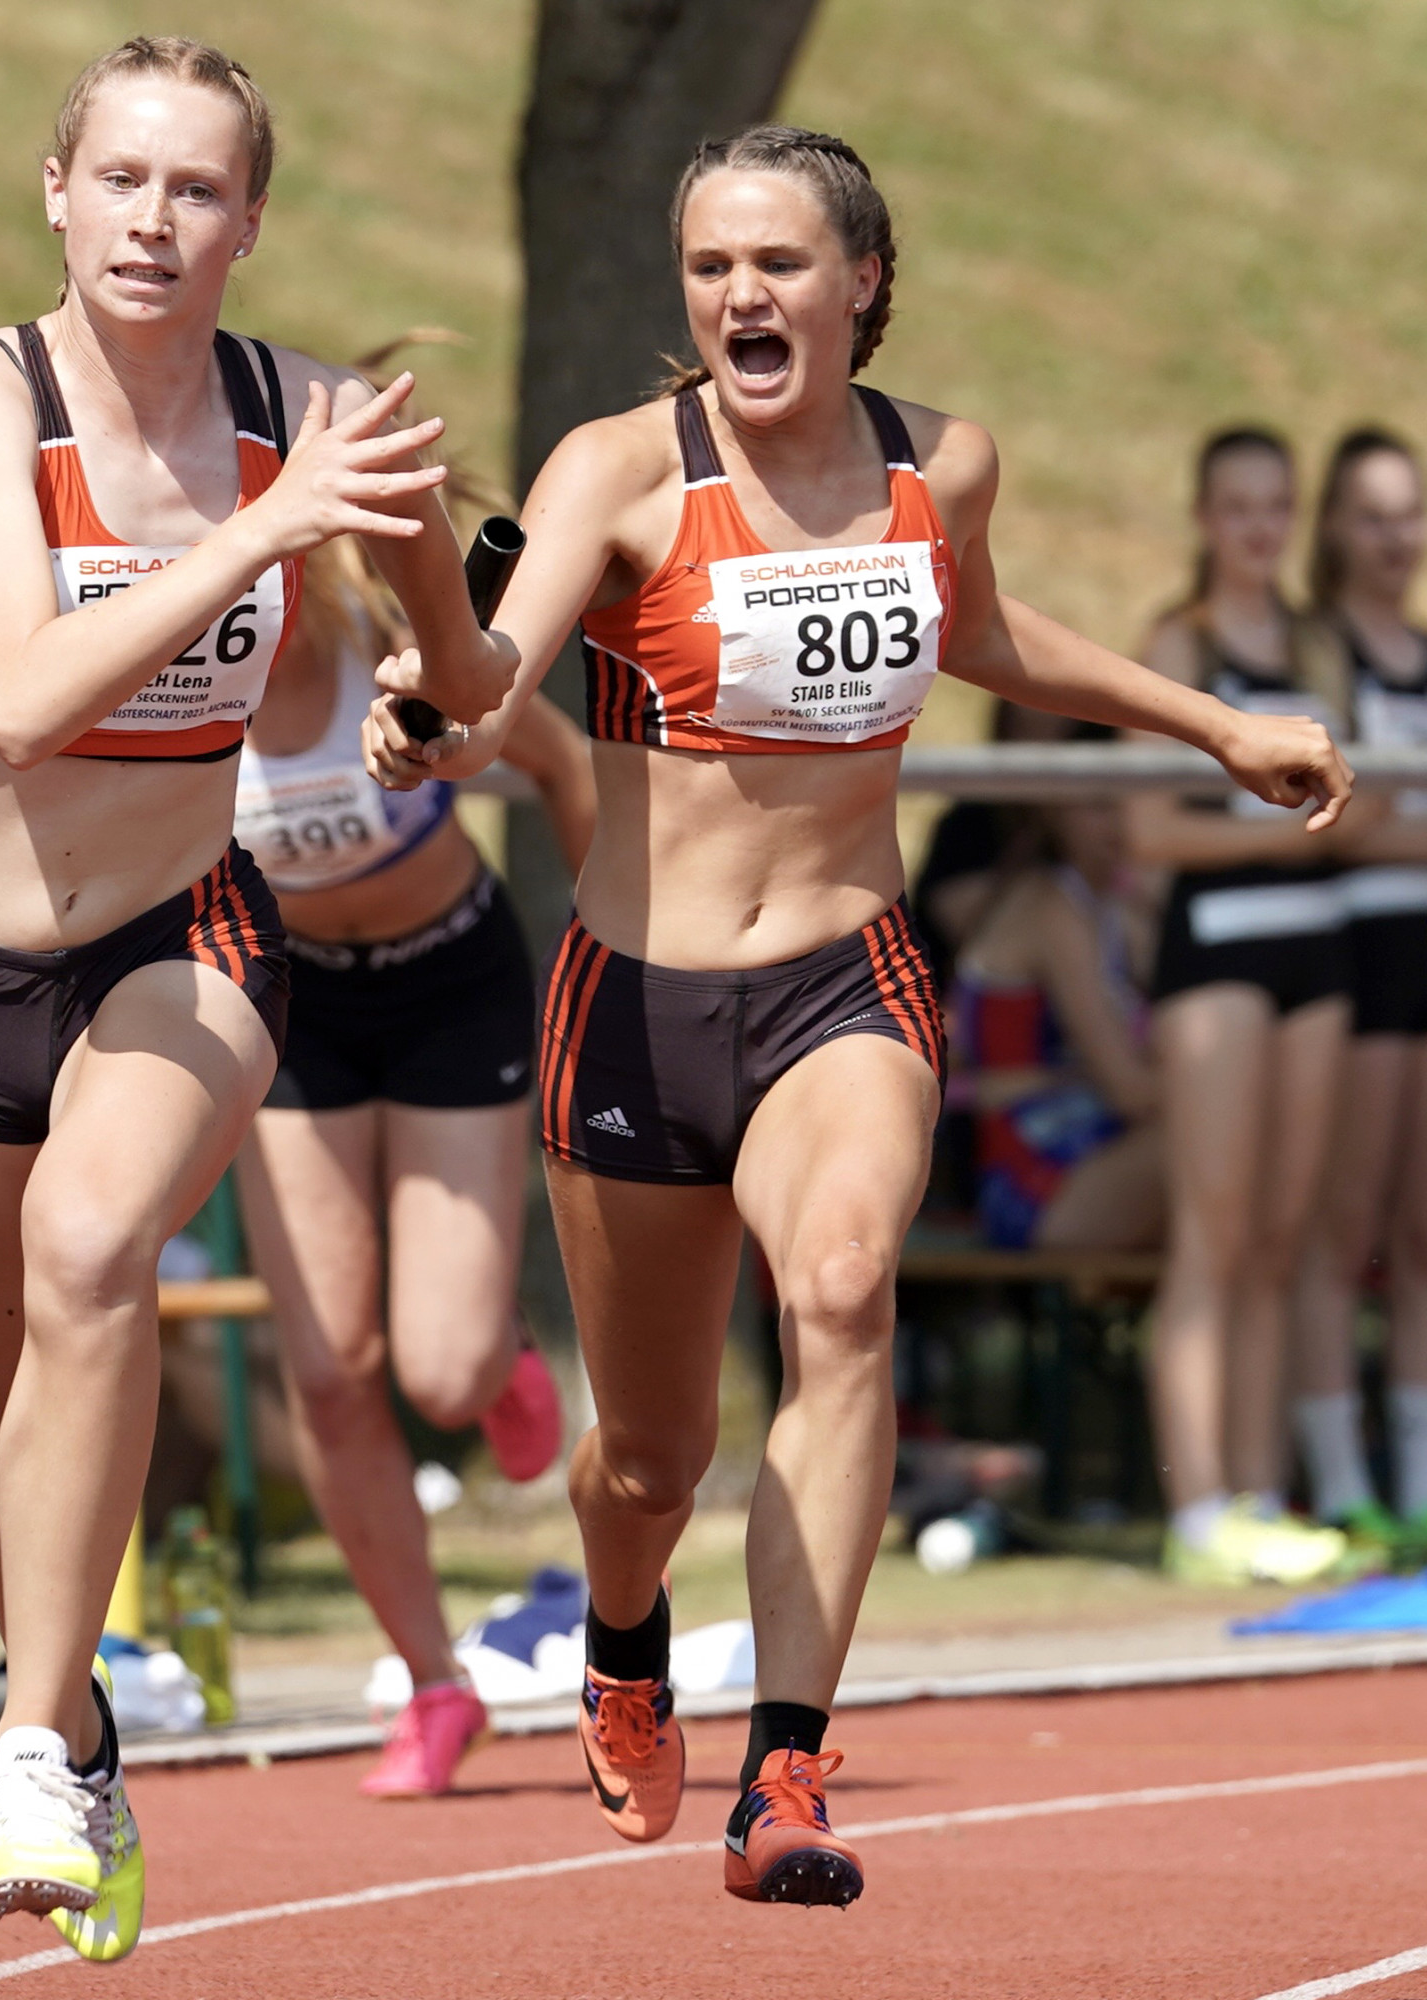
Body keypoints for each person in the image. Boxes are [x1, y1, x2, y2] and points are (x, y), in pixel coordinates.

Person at [365, 123, 1350, 1909]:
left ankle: (787, 1776)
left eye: (781, 263)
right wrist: (426, 701)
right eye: (712, 267)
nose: (743, 294)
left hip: (848, 977)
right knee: (648, 1456)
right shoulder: (619, 472)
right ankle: (620, 1627)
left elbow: (986, 636)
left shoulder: (939, 464)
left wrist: (1218, 724)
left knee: (838, 1288)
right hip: (638, 1009)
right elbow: (497, 667)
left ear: (861, 283)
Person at [0, 38, 513, 1962]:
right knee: (13, 1428)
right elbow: (24, 691)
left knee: (90, 1255)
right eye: (123, 179)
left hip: (187, 940)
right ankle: (73, 1731)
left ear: (252, 218)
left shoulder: (307, 416)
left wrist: (432, 688)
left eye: (200, 188)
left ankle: (18, 1754)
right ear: (54, 191)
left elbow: (461, 655)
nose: (157, 220)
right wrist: (258, 533)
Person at [232, 528, 593, 1797]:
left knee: (438, 1371)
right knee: (329, 1366)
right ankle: (436, 1683)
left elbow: (558, 759)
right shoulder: (167, 670)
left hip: (450, 978)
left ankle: (497, 1363)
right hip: (289, 1001)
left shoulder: (384, 634)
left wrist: (627, 954)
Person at [1128, 429, 1356, 1588]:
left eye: (1276, 506)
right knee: (1210, 1234)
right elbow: (1146, 827)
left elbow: (1349, 804)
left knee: (1276, 1233)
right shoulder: (1180, 643)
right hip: (1213, 951)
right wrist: (1272, 821)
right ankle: (1197, 1498)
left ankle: (1261, 1490)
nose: (1259, 527)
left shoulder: (1315, 644)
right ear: (1204, 515)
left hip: (1312, 952)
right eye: (1237, 506)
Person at [1293, 428, 1427, 1549]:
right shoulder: (1318, 648)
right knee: (1343, 1223)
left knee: (1420, 1225)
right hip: (1353, 958)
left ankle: (1418, 1481)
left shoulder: (1419, 649)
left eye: (1409, 513)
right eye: (1371, 515)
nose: (1393, 537)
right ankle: (1339, 1482)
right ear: (1333, 526)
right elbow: (1339, 821)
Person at [947, 783, 1162, 1252]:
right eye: (1100, 804)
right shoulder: (1051, 909)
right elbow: (1132, 1092)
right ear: (1055, 811)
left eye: (1132, 802)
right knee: (1223, 1140)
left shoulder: (1113, 908)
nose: (1120, 821)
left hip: (1097, 1155)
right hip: (1031, 1184)